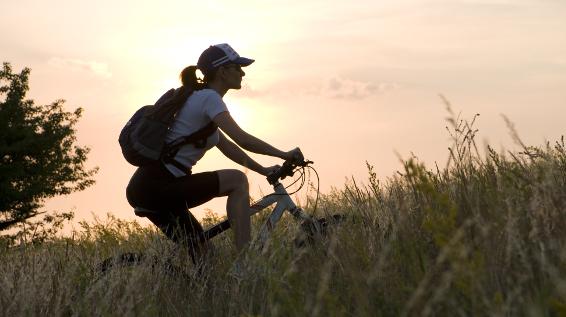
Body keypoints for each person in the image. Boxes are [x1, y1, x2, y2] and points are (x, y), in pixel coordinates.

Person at [126, 43, 302, 263]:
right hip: (159, 185)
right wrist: (284, 154)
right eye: (237, 67)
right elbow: (243, 138)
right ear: (222, 71)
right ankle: (245, 263)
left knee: (206, 258)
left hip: (150, 188)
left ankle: (200, 292)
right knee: (237, 180)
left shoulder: (199, 99)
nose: (243, 72)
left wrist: (263, 169)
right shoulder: (209, 99)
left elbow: (229, 147)